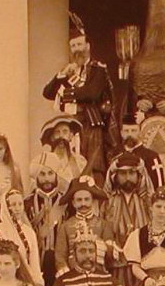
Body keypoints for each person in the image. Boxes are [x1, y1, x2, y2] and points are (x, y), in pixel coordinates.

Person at [43, 12, 115, 185]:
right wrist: (61, 75)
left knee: (93, 168)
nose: (77, 49)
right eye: (74, 45)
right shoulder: (69, 72)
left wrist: (68, 94)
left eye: (80, 44)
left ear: (88, 46)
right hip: (71, 126)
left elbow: (92, 93)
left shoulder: (98, 69)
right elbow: (47, 93)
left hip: (91, 126)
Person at [104, 151, 151, 286]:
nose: (128, 178)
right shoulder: (108, 201)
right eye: (123, 174)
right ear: (115, 176)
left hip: (143, 263)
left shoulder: (147, 201)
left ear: (139, 176)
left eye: (132, 173)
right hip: (116, 264)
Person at [0, 189, 44, 286]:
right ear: (6, 207)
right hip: (1, 283)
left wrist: (38, 285)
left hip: (25, 283)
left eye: (20, 204)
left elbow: (34, 265)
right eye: (13, 204)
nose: (17, 208)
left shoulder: (29, 232)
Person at [54, 176, 113, 278]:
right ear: (73, 203)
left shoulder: (103, 224)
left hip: (99, 274)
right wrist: (66, 276)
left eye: (86, 199)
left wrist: (100, 245)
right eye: (79, 200)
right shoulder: (66, 226)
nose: (83, 204)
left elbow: (111, 254)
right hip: (73, 276)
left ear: (92, 201)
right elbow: (60, 256)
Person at [25, 151, 66, 286]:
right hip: (35, 260)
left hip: (61, 260)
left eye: (50, 173)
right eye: (42, 174)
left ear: (56, 175)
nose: (47, 178)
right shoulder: (27, 203)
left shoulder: (66, 202)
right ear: (36, 177)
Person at [112, 109, 165, 190]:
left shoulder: (152, 157)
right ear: (122, 133)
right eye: (126, 131)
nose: (130, 134)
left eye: (133, 130)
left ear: (140, 132)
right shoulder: (115, 155)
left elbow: (159, 188)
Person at [38, 115, 88, 191]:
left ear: (71, 136)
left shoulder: (80, 161)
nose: (61, 136)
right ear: (52, 137)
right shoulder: (43, 162)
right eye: (57, 132)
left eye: (65, 132)